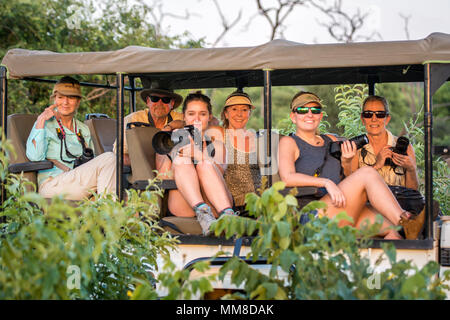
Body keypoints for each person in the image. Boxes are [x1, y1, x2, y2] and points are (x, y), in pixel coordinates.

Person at [278, 91, 425, 240]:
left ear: (320, 116)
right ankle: (407, 221)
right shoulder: (289, 142)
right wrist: (326, 182)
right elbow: (287, 178)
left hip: (341, 207)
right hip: (313, 215)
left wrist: (347, 161)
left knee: (396, 230)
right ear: (293, 116)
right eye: (302, 110)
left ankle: (397, 241)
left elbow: (350, 178)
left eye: (315, 110)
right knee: (367, 173)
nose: (309, 114)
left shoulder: (331, 140)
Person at [155, 91, 237, 236]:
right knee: (181, 160)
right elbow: (161, 178)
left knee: (204, 165)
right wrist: (174, 151)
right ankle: (203, 213)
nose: (197, 119)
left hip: (216, 204)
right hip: (183, 204)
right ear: (184, 117)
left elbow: (217, 173)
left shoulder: (217, 145)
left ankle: (228, 216)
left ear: (209, 117)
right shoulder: (170, 142)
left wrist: (198, 154)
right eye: (191, 114)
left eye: (202, 114)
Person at [26, 76, 116, 200]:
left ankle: (105, 211)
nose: (65, 102)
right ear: (54, 100)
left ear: (78, 102)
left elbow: (91, 161)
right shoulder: (44, 124)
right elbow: (34, 157)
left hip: (77, 181)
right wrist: (40, 120)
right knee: (109, 158)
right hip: (53, 184)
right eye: (60, 97)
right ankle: (108, 213)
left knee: (122, 192)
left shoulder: (82, 129)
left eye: (71, 97)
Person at [115, 79, 220, 166]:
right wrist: (144, 163)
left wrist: (174, 125)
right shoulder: (133, 120)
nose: (160, 103)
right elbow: (118, 154)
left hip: (173, 167)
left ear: (172, 103)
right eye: (155, 98)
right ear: (148, 101)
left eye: (165, 100)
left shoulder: (178, 117)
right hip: (142, 170)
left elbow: (213, 121)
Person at [342, 95, 419, 190]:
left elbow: (413, 193)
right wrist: (376, 166)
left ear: (387, 119)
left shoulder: (405, 147)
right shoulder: (355, 148)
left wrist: (411, 169)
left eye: (380, 114)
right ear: (362, 119)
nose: (374, 119)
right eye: (368, 114)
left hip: (398, 203)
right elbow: (351, 188)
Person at [216, 90, 261, 212]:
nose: (239, 114)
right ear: (226, 114)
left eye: (244, 110)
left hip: (260, 202)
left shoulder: (256, 138)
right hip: (234, 204)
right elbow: (194, 124)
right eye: (234, 109)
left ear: (249, 114)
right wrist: (171, 126)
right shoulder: (220, 134)